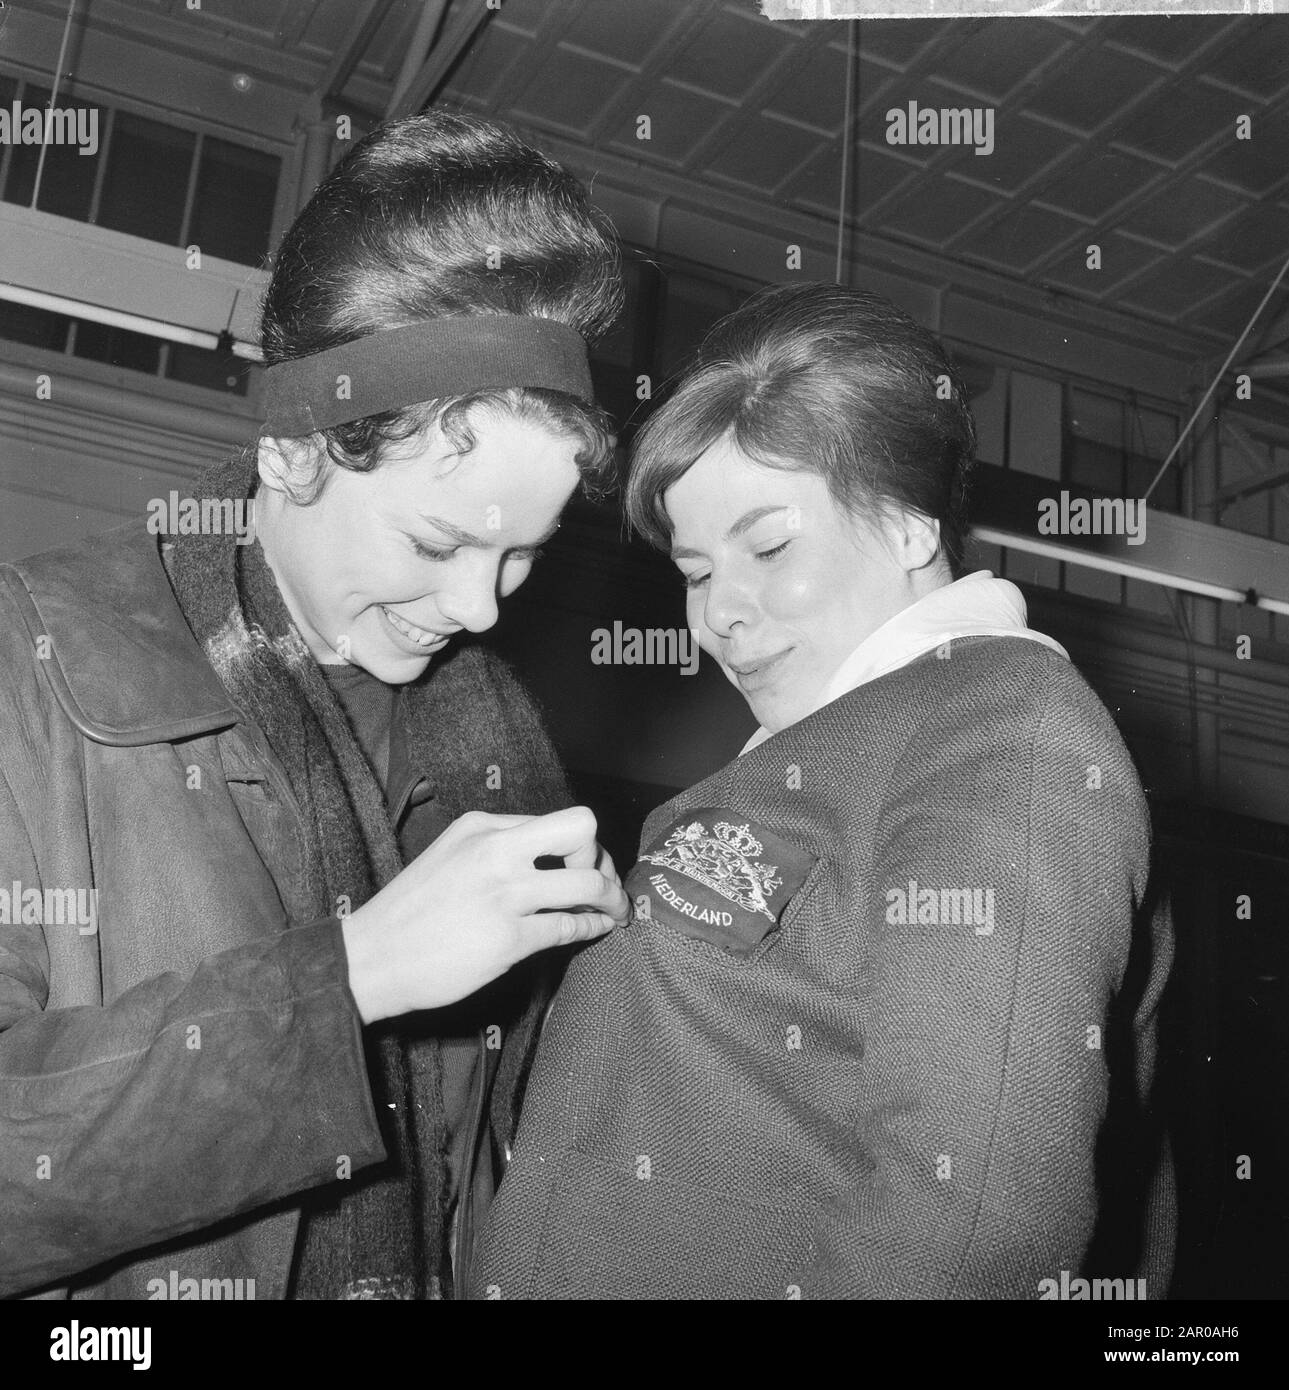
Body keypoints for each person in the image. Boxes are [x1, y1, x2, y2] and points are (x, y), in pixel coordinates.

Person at [0, 111, 629, 1301]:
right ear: (293, 451)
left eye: (522, 554)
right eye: (439, 539)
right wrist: (346, 977)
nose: (482, 610)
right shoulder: (29, 665)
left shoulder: (499, 762)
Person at [472, 282, 1176, 1300]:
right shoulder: (824, 751)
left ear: (906, 528)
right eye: (695, 567)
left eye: (767, 546)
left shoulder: (999, 724)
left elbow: (976, 1217)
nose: (719, 613)